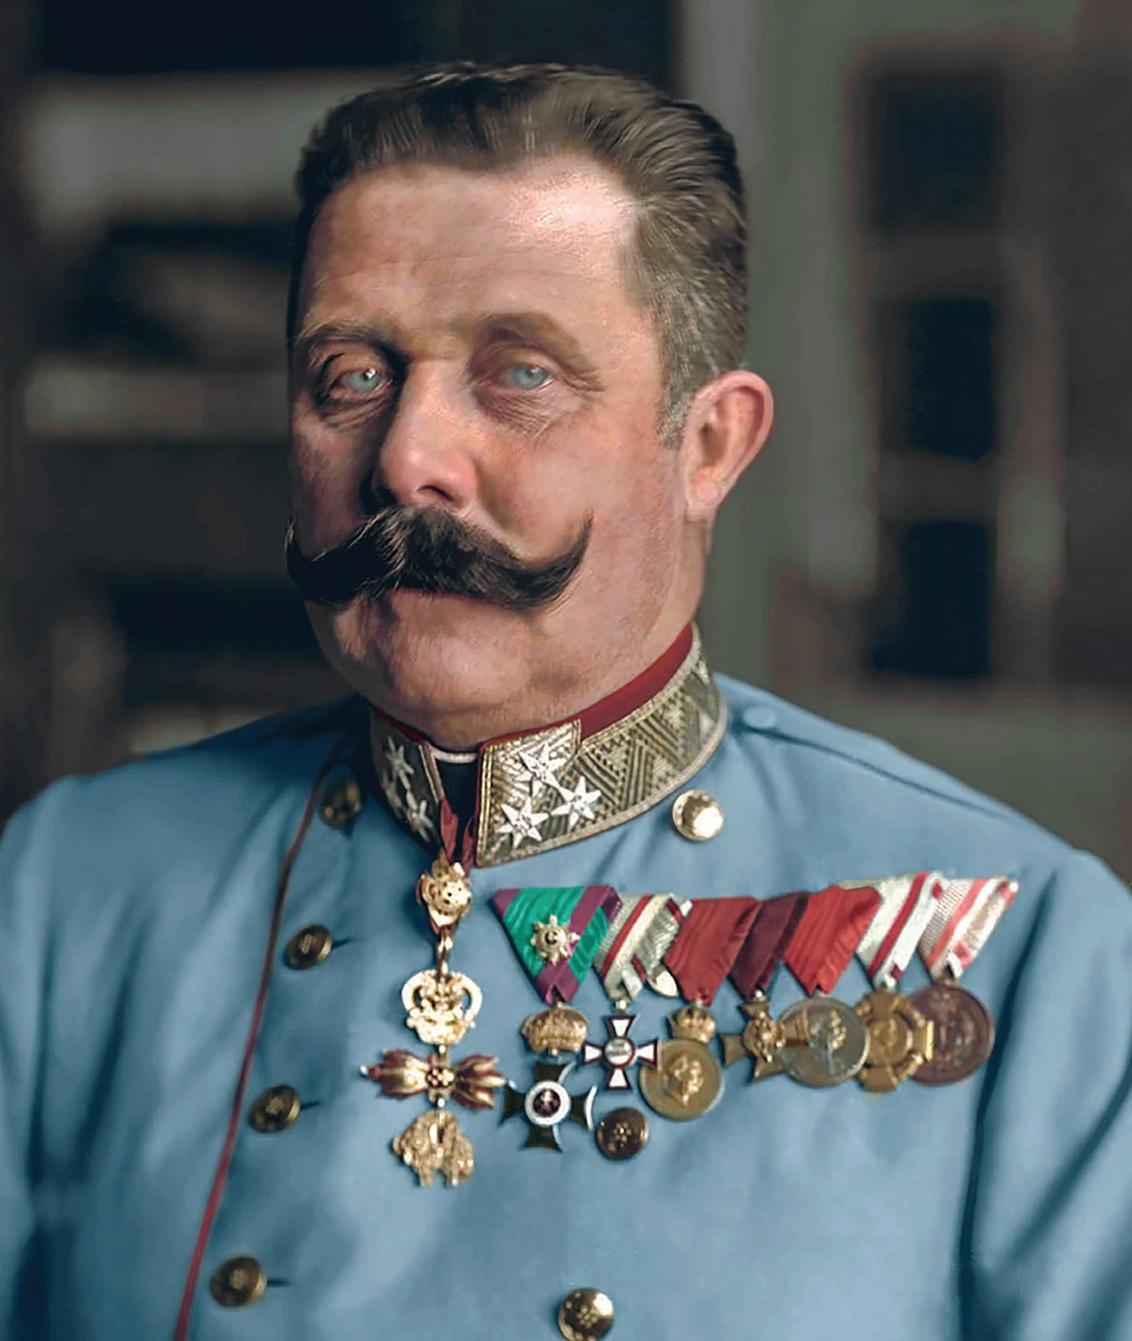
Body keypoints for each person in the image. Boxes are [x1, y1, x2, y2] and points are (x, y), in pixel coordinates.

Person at [1, 61, 1129, 1341]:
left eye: (520, 374)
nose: (409, 460)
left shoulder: (1029, 949)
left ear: (708, 446)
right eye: (351, 378)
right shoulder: (68, 888)